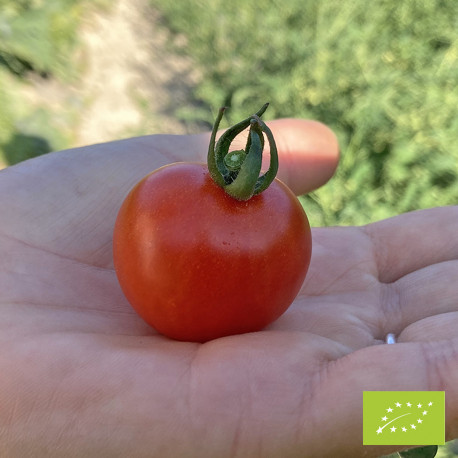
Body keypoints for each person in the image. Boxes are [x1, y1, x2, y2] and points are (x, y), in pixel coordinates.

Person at [0, 117, 456, 457]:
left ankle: (424, 429)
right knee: (403, 412)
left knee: (419, 412)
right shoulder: (163, 196)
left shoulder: (184, 198)